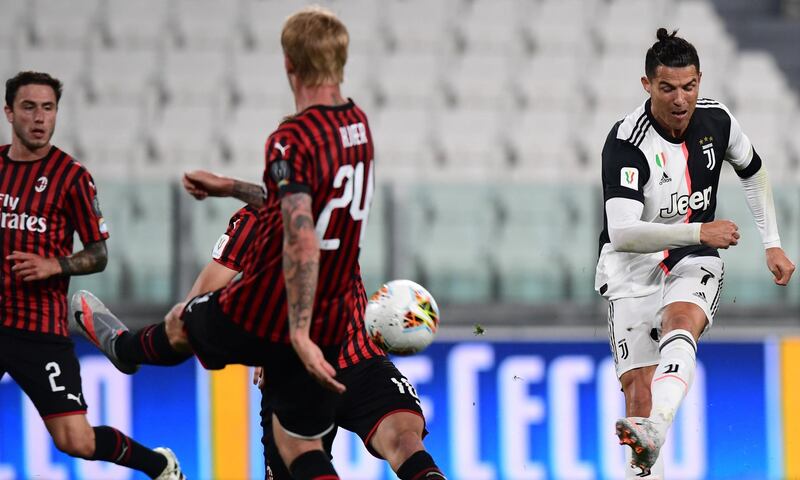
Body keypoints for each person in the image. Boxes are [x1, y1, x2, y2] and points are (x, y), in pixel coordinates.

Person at [74, 7, 376, 479]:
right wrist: (231, 187)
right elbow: (297, 203)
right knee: (300, 445)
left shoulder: (291, 137)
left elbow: (301, 236)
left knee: (181, 321)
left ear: (288, 64)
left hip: (268, 308)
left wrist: (295, 332)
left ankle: (125, 350)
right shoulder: (358, 127)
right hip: (331, 319)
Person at [596, 29, 795, 477]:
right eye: (667, 88)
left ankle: (657, 429)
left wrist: (772, 243)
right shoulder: (627, 143)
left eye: (689, 87)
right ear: (647, 85)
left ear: (700, 81)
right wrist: (700, 228)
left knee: (681, 319)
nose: (680, 99)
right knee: (638, 400)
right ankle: (650, 435)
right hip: (631, 267)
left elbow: (754, 172)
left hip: (693, 256)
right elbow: (622, 233)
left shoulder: (718, 121)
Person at [181, 169, 447, 480]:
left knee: (405, 440)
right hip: (294, 373)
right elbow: (199, 300)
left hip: (359, 359)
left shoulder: (338, 207)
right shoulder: (252, 222)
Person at [0, 71, 184, 480]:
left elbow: (99, 253)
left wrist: (56, 265)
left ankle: (159, 465)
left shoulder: (71, 177)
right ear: (9, 112)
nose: (39, 118)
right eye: (29, 107)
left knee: (75, 441)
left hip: (39, 328)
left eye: (48, 108)